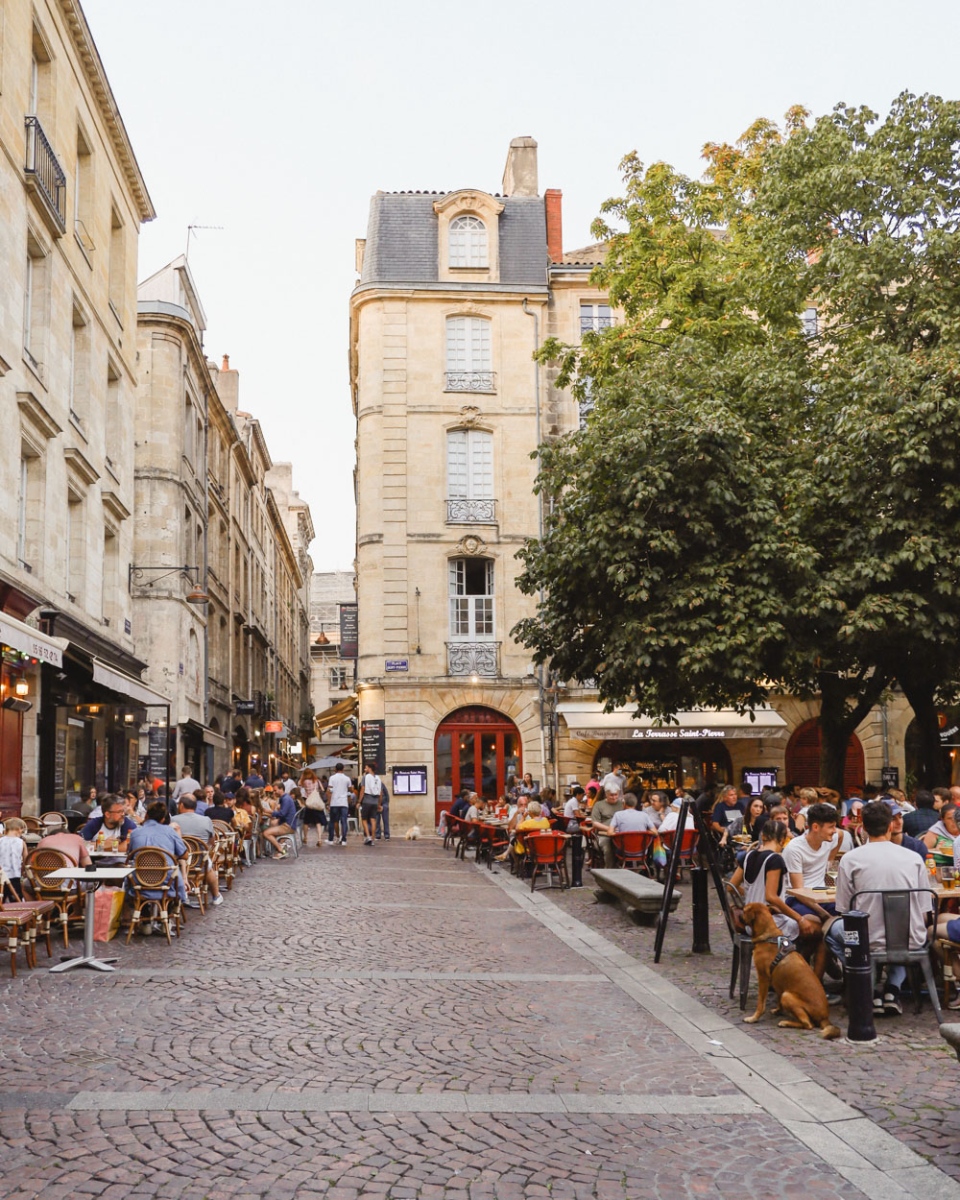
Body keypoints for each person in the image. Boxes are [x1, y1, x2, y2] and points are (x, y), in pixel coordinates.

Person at [827, 800, 933, 1016]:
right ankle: (892, 989)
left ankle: (868, 984)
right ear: (890, 826)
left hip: (867, 939)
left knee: (830, 930)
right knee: (899, 927)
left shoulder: (850, 859)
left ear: (863, 827)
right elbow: (924, 908)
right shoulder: (913, 858)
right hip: (910, 939)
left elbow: (845, 910)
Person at [729, 819, 800, 941]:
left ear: (763, 836)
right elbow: (771, 897)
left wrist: (751, 894)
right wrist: (800, 919)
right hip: (770, 923)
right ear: (783, 840)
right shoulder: (775, 860)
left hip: (750, 923)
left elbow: (731, 887)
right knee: (813, 928)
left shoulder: (748, 856)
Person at [127, 801, 188, 931]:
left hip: (140, 881)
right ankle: (166, 917)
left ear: (147, 815)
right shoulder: (170, 831)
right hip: (166, 881)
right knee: (174, 875)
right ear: (162, 818)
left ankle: (145, 917)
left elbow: (130, 855)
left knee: (132, 878)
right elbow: (184, 855)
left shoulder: (135, 833)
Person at [782, 802, 843, 927]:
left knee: (850, 916)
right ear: (815, 827)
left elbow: (840, 835)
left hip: (821, 893)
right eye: (831, 827)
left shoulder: (832, 838)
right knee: (813, 924)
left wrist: (829, 861)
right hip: (797, 898)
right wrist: (825, 915)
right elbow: (799, 891)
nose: (834, 831)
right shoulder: (795, 848)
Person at [173, 796, 224, 905]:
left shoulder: (173, 820)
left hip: (178, 861)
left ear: (181, 805)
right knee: (209, 867)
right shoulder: (206, 820)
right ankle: (216, 895)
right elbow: (212, 841)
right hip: (199, 863)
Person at [589, 787, 625, 867]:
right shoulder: (598, 805)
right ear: (606, 794)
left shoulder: (621, 804)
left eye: (616, 795)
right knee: (609, 849)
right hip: (603, 835)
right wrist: (610, 829)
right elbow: (595, 823)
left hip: (619, 835)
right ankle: (609, 870)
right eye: (611, 795)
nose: (614, 797)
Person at [263, 786, 299, 859]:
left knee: (266, 833)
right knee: (272, 823)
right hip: (288, 823)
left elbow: (282, 814)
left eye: (275, 790)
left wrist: (268, 812)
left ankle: (280, 849)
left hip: (288, 826)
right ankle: (278, 844)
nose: (274, 792)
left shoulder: (285, 799)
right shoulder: (285, 798)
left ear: (281, 789)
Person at [564, 786, 586, 887]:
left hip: (569, 824)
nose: (582, 797)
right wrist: (587, 817)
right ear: (578, 795)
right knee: (585, 830)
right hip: (571, 825)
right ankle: (584, 846)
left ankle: (584, 846)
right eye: (582, 795)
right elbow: (578, 815)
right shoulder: (574, 802)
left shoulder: (573, 801)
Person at [299, 770, 327, 847]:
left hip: (309, 803)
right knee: (318, 822)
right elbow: (323, 790)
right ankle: (319, 839)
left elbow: (299, 787)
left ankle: (305, 838)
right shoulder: (317, 781)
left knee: (306, 822)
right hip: (317, 803)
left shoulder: (304, 782)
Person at [0, 818, 27, 899]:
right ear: (19, 829)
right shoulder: (21, 842)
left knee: (2, 898)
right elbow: (26, 859)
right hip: (15, 874)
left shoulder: (0, 841)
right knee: (16, 898)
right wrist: (23, 871)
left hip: (1, 874)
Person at [327, 763, 351, 845]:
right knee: (344, 821)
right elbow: (350, 789)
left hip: (334, 802)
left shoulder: (332, 778)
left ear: (335, 769)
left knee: (333, 821)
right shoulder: (347, 778)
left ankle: (330, 839)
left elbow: (329, 791)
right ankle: (344, 840)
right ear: (343, 769)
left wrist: (328, 803)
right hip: (344, 802)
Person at [360, 762, 383, 846]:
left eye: (366, 767)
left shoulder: (365, 777)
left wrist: (359, 801)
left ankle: (368, 837)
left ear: (369, 768)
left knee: (364, 819)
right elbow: (381, 792)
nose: (365, 769)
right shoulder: (378, 778)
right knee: (373, 820)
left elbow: (363, 789)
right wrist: (379, 804)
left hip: (367, 799)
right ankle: (373, 839)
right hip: (375, 800)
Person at [376, 775, 391, 840]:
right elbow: (386, 794)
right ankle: (386, 835)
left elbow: (381, 794)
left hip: (380, 803)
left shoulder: (378, 784)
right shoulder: (382, 784)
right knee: (384, 820)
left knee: (378, 819)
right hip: (383, 802)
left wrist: (379, 804)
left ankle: (378, 834)